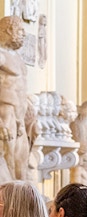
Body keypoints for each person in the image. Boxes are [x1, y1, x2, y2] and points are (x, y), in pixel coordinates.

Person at [0, 16, 29, 181]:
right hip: (6, 112)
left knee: (21, 165)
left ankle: (23, 203)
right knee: (8, 166)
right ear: (8, 30)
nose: (23, 34)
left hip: (20, 116)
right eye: (20, 30)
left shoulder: (17, 58)